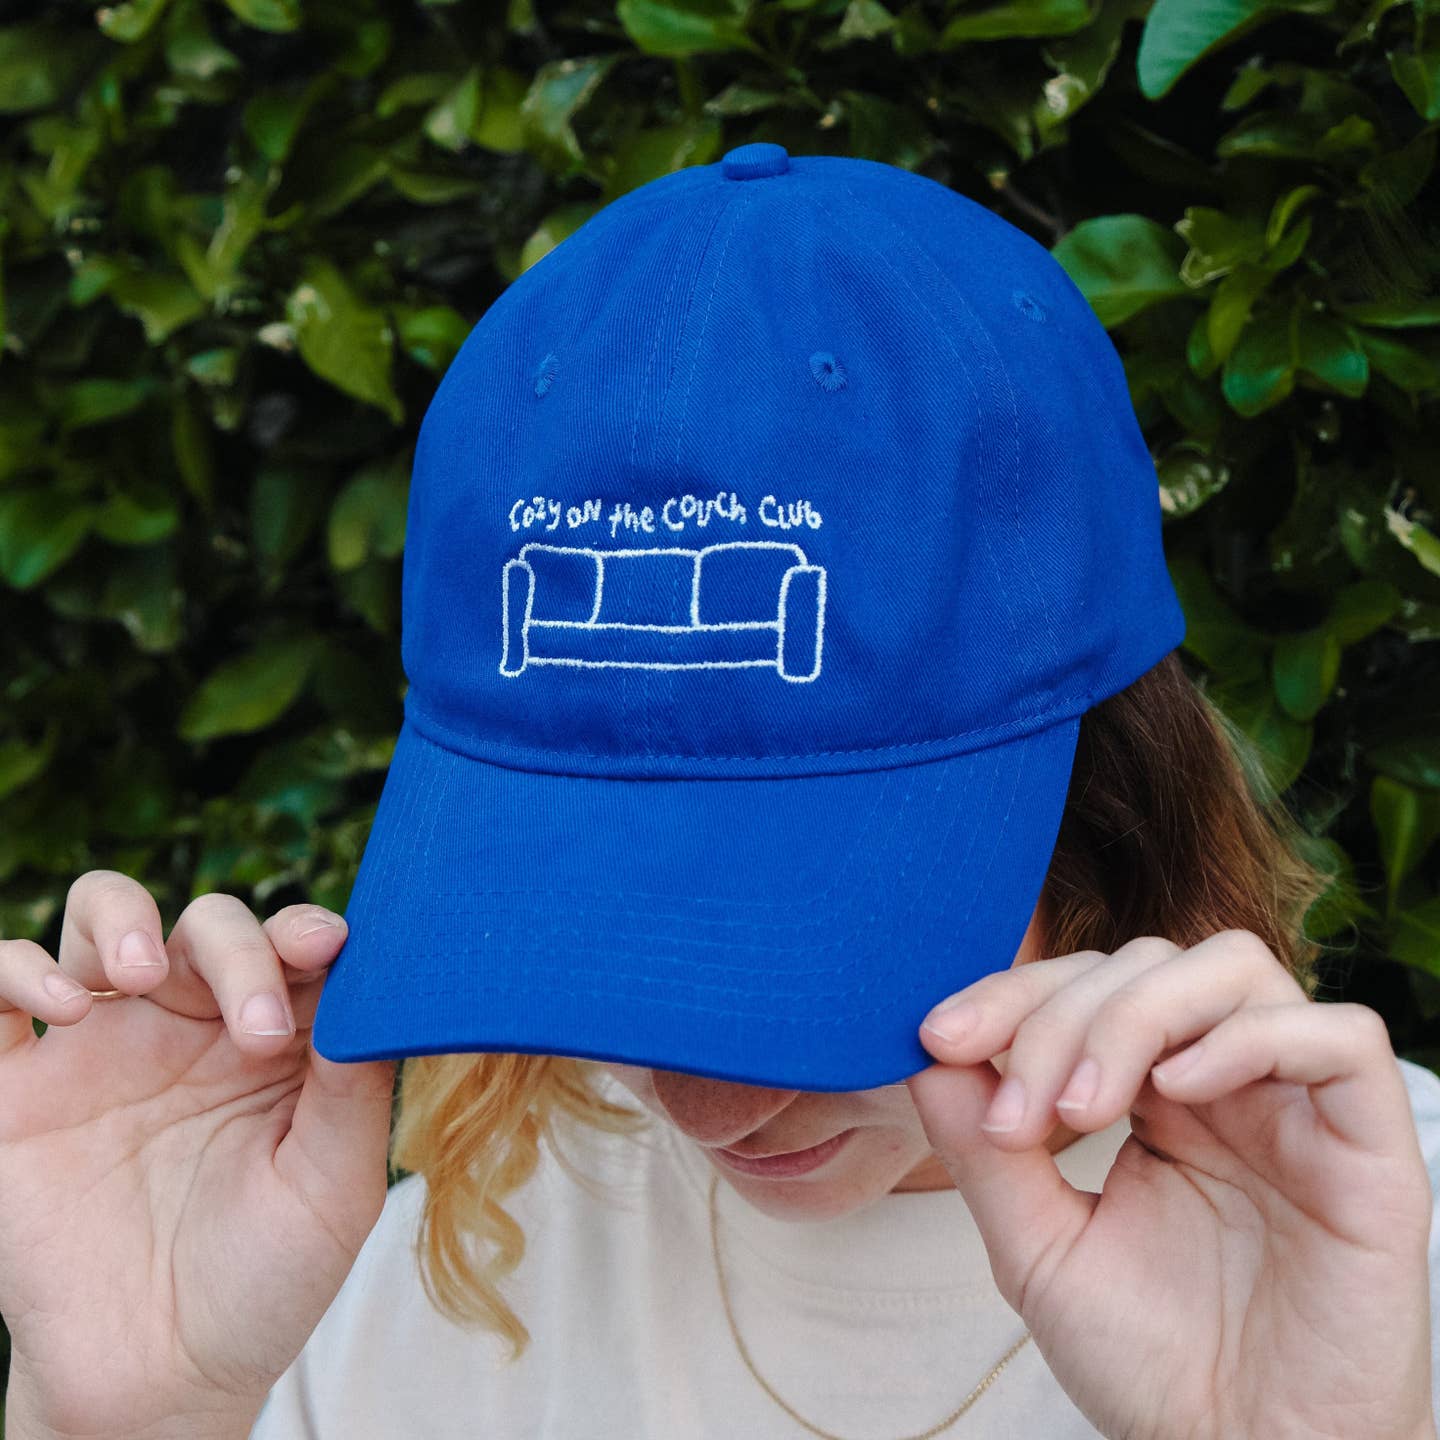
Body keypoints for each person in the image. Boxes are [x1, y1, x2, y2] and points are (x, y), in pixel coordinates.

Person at [2, 144, 1437, 1440]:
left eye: (804, 917)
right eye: (595, 919)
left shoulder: (1387, 1253)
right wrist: (125, 1421)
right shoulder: (450, 1264)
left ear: (1111, 798)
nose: (696, 1098)